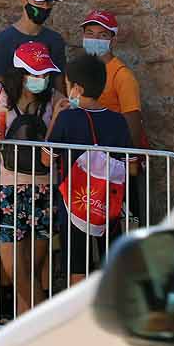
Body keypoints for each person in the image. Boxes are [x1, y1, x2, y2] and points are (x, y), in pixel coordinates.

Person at [0, 40, 66, 318]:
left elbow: (56, 146)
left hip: (44, 191)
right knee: (17, 272)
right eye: (34, 73)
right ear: (19, 73)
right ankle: (50, 330)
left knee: (29, 272)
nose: (40, 79)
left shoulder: (54, 99)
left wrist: (63, 116)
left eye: (44, 74)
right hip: (6, 190)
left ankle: (24, 338)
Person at [48, 53, 134, 286]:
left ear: (76, 87)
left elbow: (47, 160)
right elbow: (132, 163)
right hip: (109, 202)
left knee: (78, 265)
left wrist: (56, 117)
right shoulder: (118, 121)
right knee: (111, 263)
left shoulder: (67, 119)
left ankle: (79, 318)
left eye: (67, 85)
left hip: (75, 203)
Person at [79, 9, 147, 148]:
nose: (95, 39)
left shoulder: (122, 75)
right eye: (90, 34)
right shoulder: (80, 70)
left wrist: (129, 162)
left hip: (111, 152)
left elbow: (133, 122)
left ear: (113, 41)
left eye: (102, 35)